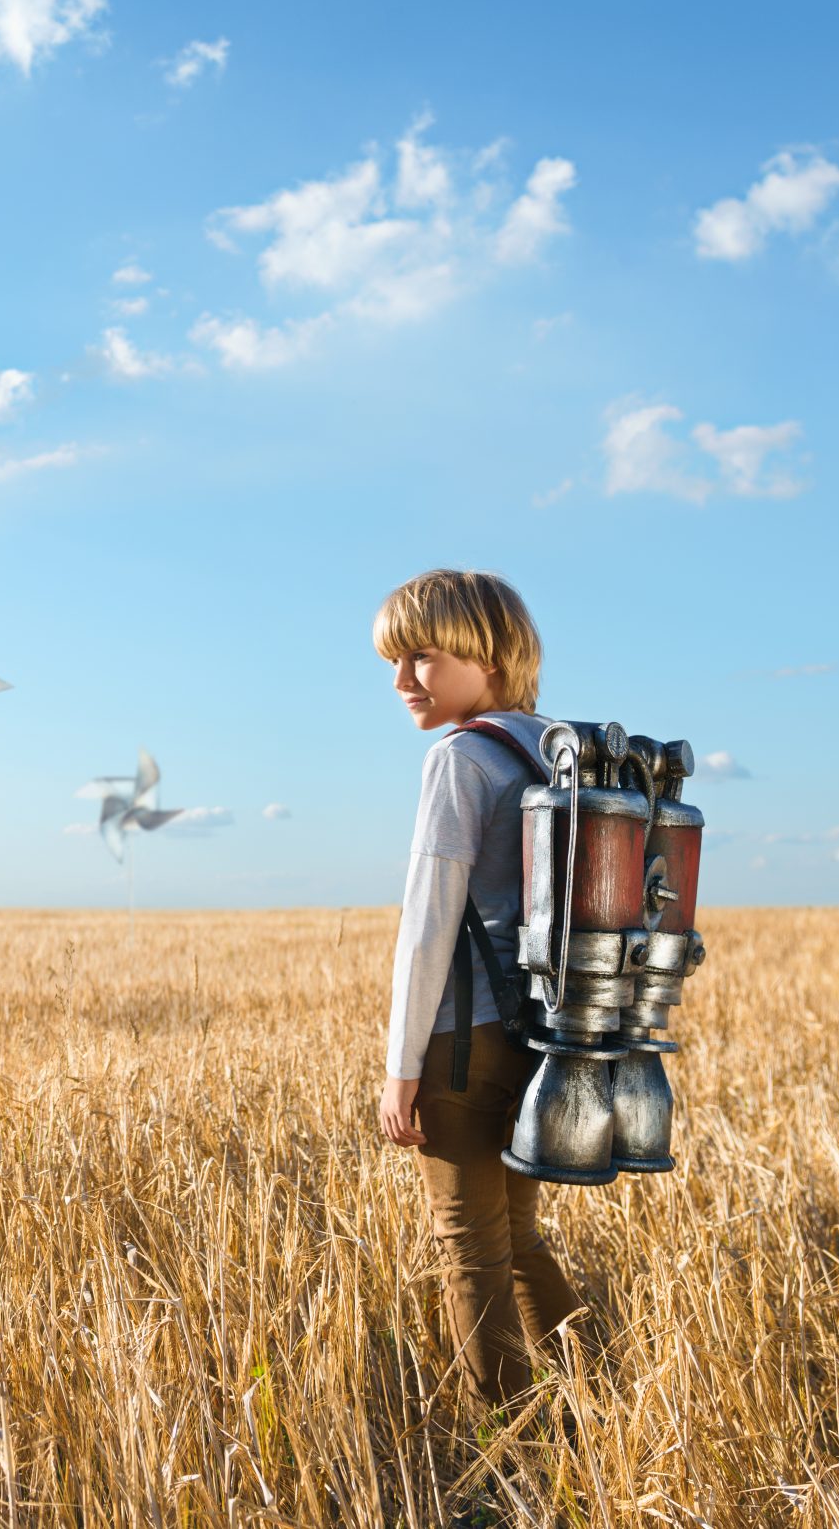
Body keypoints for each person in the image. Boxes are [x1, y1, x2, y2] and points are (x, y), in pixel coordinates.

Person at [372, 568, 585, 1412]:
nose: (402, 682)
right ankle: (599, 1389)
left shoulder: (460, 756)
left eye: (420, 657)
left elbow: (429, 920)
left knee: (469, 1246)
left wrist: (401, 1066)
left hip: (465, 1041)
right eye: (394, 663)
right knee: (517, 1235)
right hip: (543, 1032)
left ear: (487, 660)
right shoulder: (556, 748)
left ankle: (508, 1436)